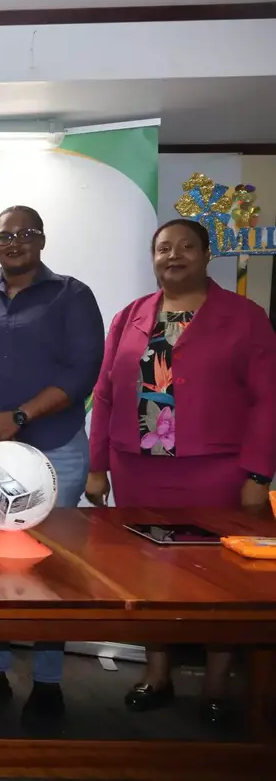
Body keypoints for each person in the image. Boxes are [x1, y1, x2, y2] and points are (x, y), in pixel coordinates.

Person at [85, 218, 276, 725]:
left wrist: (258, 475)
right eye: (164, 248)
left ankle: (215, 686)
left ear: (206, 255)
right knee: (148, 577)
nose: (174, 255)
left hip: (215, 470)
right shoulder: (131, 315)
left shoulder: (244, 316)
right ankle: (157, 675)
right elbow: (105, 393)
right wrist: (97, 465)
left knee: (220, 583)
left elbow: (267, 400)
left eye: (186, 246)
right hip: (137, 468)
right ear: (153, 258)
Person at [0, 205, 104, 725]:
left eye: (24, 234)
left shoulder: (72, 296)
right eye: (3, 236)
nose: (13, 243)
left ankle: (49, 680)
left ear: (42, 239)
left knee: (53, 564)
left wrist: (21, 415)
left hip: (54, 446)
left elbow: (83, 370)